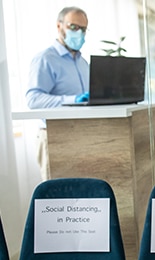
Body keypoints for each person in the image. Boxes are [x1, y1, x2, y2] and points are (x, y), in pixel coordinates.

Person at [26, 6, 90, 180]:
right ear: (59, 26)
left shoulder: (83, 63)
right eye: (74, 27)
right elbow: (33, 99)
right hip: (54, 138)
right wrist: (73, 100)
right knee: (57, 199)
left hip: (82, 136)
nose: (79, 33)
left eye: (83, 29)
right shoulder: (45, 59)